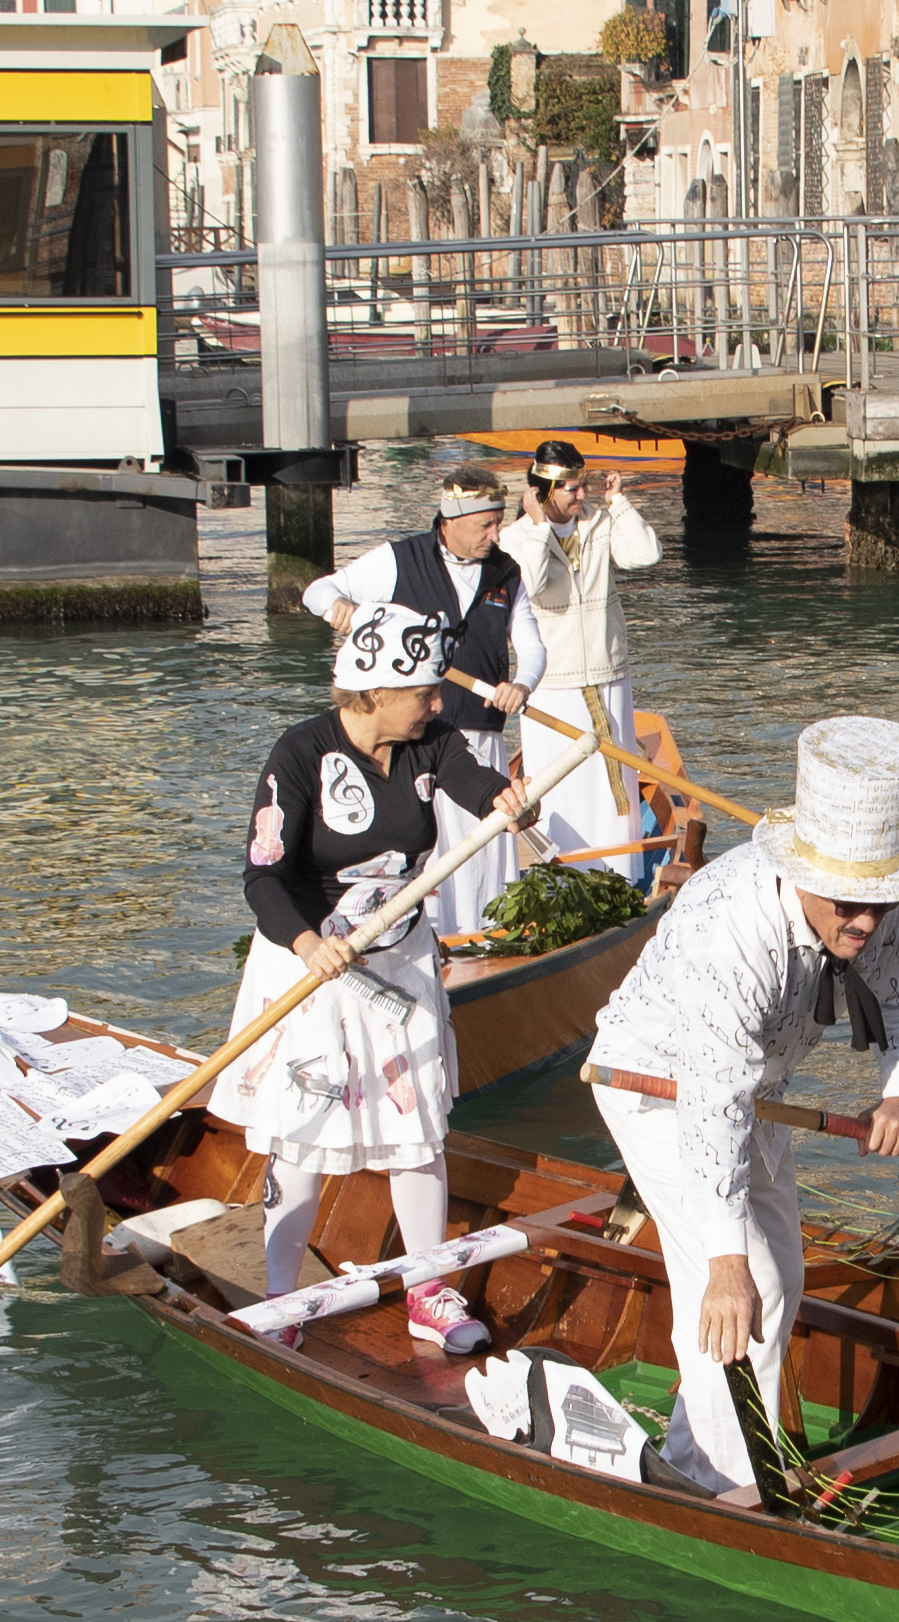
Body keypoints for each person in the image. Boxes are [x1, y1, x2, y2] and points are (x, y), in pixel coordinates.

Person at [578, 717, 899, 1503]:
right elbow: (711, 1101)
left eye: (880, 903)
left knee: (779, 1276)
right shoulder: (732, 930)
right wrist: (722, 1263)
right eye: (850, 902)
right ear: (803, 873)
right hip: (655, 1084)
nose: (865, 923)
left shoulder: (869, 914)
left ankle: (700, 1455)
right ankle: (724, 1477)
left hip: (758, 1092)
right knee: (742, 1285)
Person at [219, 608, 544, 1352]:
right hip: (314, 966)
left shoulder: (431, 742)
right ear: (373, 692)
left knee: (418, 1132)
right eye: (424, 692)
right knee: (303, 1139)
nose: (437, 703)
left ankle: (426, 1290)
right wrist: (308, 943)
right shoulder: (298, 754)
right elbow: (262, 878)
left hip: (398, 960)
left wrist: (509, 797)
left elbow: (474, 780)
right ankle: (282, 1298)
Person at [309, 468, 538, 938]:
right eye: (485, 525)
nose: (495, 536)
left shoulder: (506, 571)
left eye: (498, 523)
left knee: (479, 858)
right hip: (413, 738)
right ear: (451, 519)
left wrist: (522, 684)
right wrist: (338, 607)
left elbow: (532, 647)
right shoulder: (399, 560)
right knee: (426, 847)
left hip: (479, 733)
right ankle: (425, 937)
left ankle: (477, 938)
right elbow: (318, 590)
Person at [498, 441, 662, 862]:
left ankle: (621, 866)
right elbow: (528, 585)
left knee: (614, 782)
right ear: (542, 491)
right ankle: (567, 866)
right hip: (554, 682)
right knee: (562, 782)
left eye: (584, 485)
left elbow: (646, 554)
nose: (581, 495)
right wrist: (537, 527)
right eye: (571, 488)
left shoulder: (600, 523)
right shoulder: (515, 538)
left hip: (609, 673)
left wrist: (619, 502)